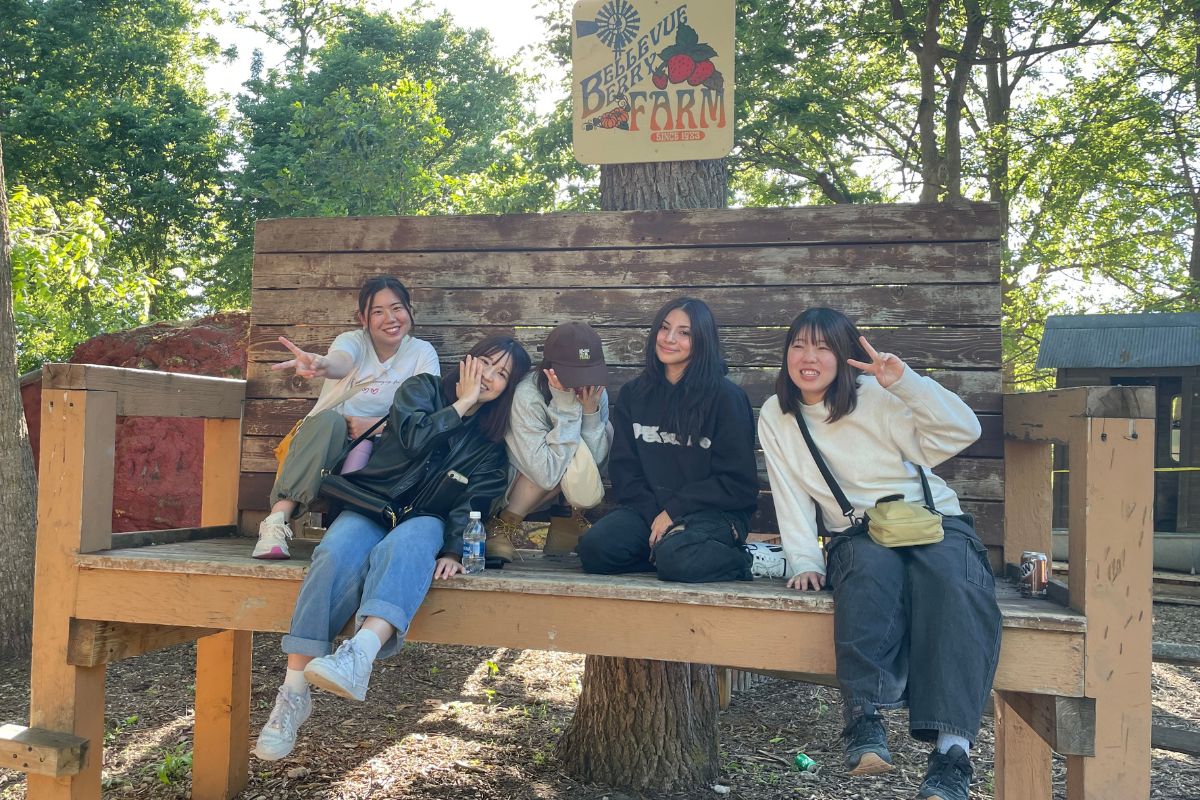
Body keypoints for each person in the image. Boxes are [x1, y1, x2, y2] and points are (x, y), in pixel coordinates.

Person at [757, 307, 999, 800]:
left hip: (931, 521)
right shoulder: (776, 415)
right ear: (786, 354)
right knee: (868, 572)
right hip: (859, 531)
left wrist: (906, 383)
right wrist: (804, 560)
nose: (809, 358)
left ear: (844, 357)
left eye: (824, 347)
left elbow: (962, 432)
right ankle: (864, 720)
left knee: (953, 584)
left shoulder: (877, 397)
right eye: (799, 345)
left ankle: (952, 755)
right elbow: (789, 493)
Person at [253, 335, 531, 761]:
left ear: (508, 389)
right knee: (333, 553)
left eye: (502, 375)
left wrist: (455, 550)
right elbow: (414, 438)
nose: (490, 377)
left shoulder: (490, 446)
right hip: (372, 504)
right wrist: (461, 404)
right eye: (487, 364)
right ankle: (292, 695)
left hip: (426, 520)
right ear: (468, 359)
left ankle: (359, 658)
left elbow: (474, 501)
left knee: (409, 545)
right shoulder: (421, 388)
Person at [253, 276, 440, 559]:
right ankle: (276, 523)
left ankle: (358, 535)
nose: (390, 318)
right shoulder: (352, 342)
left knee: (401, 442)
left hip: (388, 453)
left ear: (409, 310)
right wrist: (321, 364)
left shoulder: (421, 353)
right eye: (378, 311)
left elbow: (423, 415)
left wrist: (376, 429)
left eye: (397, 308)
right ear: (363, 318)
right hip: (330, 449)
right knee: (329, 421)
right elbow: (340, 363)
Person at [576, 298, 758, 583]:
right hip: (650, 510)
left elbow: (737, 483)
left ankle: (743, 559)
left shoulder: (726, 399)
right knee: (596, 550)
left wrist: (675, 511)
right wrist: (657, 515)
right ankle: (668, 553)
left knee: (678, 559)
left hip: (714, 514)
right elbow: (625, 471)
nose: (670, 339)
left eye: (684, 333)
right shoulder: (634, 394)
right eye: (664, 328)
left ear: (702, 341)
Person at [486, 323, 611, 562]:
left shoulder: (596, 390)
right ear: (549, 369)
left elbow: (593, 468)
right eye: (573, 375)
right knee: (556, 457)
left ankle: (566, 522)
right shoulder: (528, 395)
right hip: (518, 479)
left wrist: (590, 416)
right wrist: (565, 409)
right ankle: (503, 525)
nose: (580, 384)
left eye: (588, 373)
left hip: (560, 480)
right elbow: (545, 473)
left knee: (607, 432)